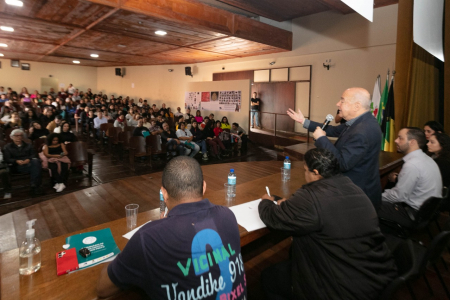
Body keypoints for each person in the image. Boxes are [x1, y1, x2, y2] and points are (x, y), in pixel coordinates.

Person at [97, 156, 247, 299]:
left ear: (164, 194)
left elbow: (103, 289)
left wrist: (161, 227)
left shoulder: (148, 238)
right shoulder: (228, 215)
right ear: (204, 186)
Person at [258, 148, 396, 300]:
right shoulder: (353, 187)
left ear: (316, 172)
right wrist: (292, 207)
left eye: (305, 170)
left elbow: (273, 218)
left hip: (338, 288)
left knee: (269, 277)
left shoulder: (311, 196)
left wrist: (266, 202)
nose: (305, 175)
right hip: (372, 273)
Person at [287, 87, 383, 209]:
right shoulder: (362, 121)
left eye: (342, 101)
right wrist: (303, 121)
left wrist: (322, 139)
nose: (337, 104)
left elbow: (342, 163)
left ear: (356, 106)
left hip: (357, 197)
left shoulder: (362, 131)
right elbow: (332, 129)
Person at [379, 127, 442, 228]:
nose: (395, 140)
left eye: (400, 138)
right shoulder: (427, 159)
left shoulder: (412, 164)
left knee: (367, 205)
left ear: (412, 142)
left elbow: (397, 196)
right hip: (424, 213)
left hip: (411, 214)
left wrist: (374, 196)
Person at [3, 129, 43, 196]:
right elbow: (7, 159)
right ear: (12, 137)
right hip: (16, 166)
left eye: (20, 135)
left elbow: (34, 154)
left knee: (36, 162)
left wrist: (28, 159)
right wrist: (16, 161)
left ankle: (34, 185)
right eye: (16, 136)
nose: (19, 137)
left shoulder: (28, 145)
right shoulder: (7, 147)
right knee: (36, 167)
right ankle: (35, 187)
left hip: (28, 163)